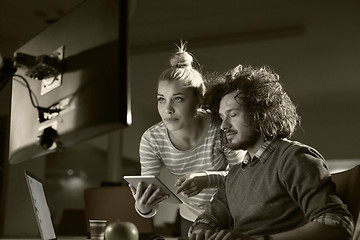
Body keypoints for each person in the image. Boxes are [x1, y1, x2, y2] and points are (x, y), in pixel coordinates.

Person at [189, 64, 354, 240]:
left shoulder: (294, 158)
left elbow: (337, 225)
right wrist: (202, 228)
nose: (223, 126)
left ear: (260, 112)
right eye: (222, 117)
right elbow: (209, 218)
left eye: (233, 114)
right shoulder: (234, 174)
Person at [128, 43, 244, 237]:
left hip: (231, 216)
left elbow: (244, 176)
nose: (168, 109)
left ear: (199, 99)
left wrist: (207, 179)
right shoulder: (151, 139)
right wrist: (143, 207)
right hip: (190, 219)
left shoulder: (220, 128)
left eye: (178, 99)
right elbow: (150, 197)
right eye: (161, 99)